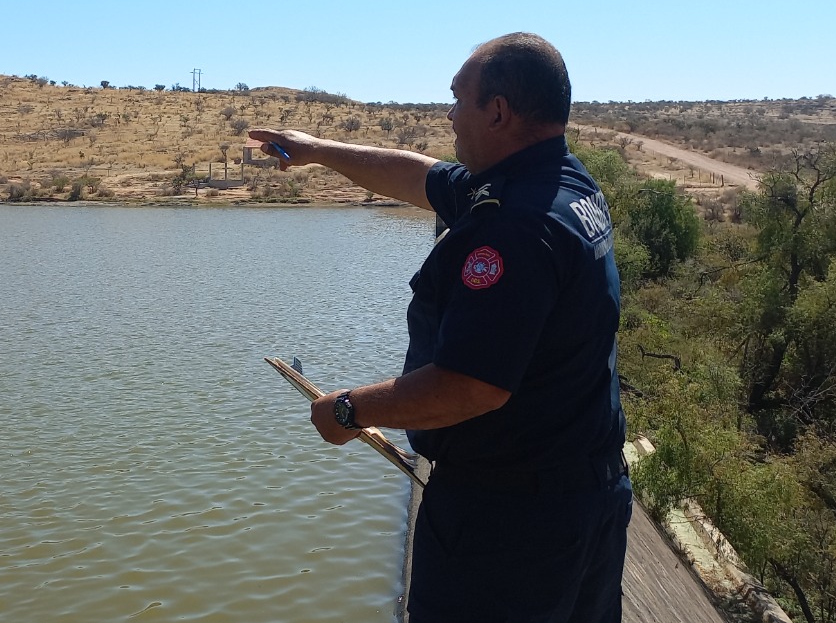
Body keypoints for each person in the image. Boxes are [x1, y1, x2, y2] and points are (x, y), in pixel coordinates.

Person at [249, 32, 631, 622]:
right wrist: (316, 150)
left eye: (458, 99)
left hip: (510, 530)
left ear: (497, 111)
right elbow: (417, 176)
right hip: (582, 499)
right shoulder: (560, 183)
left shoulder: (515, 227)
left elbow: (471, 386)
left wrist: (349, 410)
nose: (449, 116)